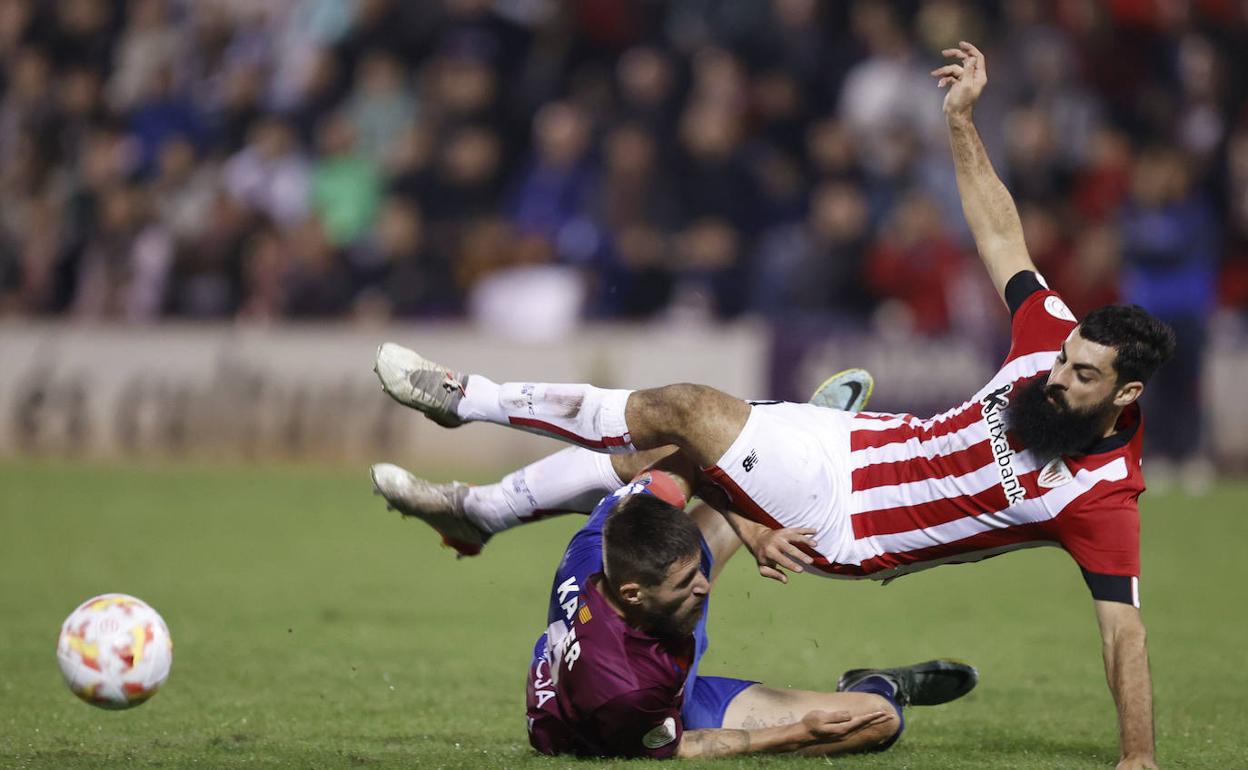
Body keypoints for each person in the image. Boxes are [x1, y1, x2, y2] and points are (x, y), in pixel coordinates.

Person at [372, 43, 1172, 770]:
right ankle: (481, 511)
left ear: (1126, 394)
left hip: (845, 518)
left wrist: (1137, 758)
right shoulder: (1053, 344)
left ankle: (467, 406)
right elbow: (1003, 237)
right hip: (837, 438)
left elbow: (1123, 635)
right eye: (1065, 360)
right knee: (665, 452)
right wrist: (961, 121)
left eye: (1081, 377)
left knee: (680, 414)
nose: (1058, 377)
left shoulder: (1102, 499)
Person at [372, 459, 978, 759]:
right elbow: (683, 749)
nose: (707, 587)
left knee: (711, 486)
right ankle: (872, 684)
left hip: (653, 636)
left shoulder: (601, 546)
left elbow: (679, 462)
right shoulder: (627, 689)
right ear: (633, 592)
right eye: (692, 580)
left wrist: (754, 524)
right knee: (878, 720)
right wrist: (797, 733)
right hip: (649, 710)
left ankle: (770, 483)